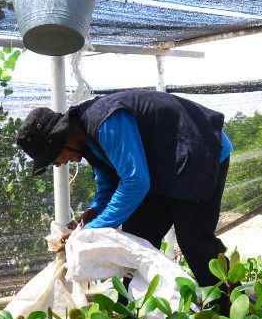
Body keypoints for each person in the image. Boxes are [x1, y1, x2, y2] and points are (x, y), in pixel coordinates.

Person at [15, 89, 232, 288]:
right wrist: (92, 214)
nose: (57, 164)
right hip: (161, 167)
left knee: (194, 241)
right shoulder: (85, 140)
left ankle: (229, 305)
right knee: (138, 235)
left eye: (53, 158)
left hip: (196, 150)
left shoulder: (105, 121)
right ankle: (132, 311)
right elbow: (108, 184)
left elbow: (136, 182)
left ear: (60, 141)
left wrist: (92, 230)